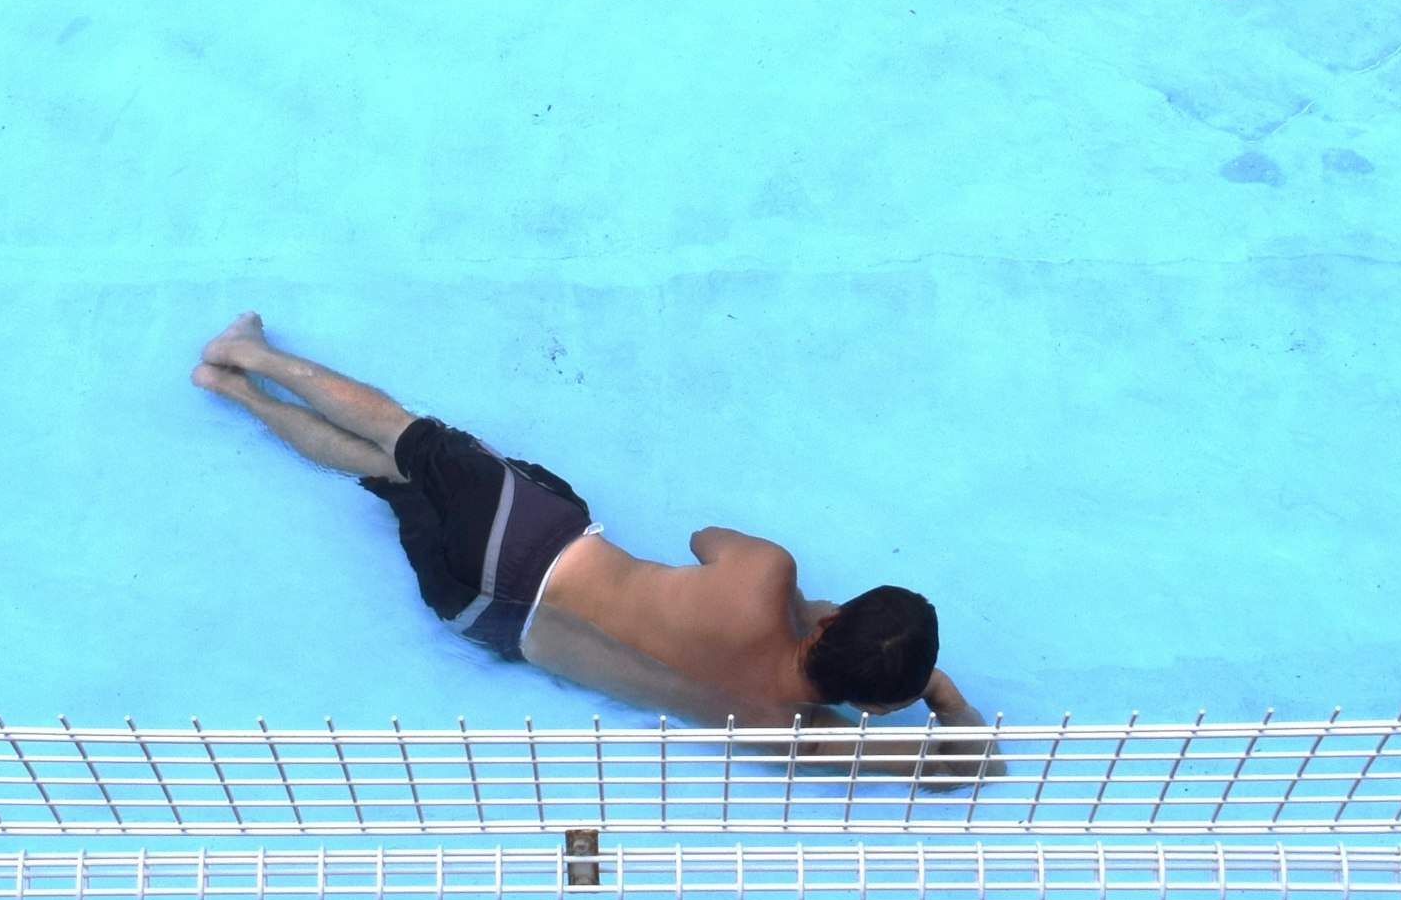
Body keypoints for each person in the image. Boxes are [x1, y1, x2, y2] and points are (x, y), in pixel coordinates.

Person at [192, 315, 996, 779]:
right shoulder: (794, 734)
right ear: (872, 706)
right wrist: (943, 699)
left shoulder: (765, 578)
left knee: (407, 436)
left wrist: (796, 605)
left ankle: (246, 356)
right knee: (395, 479)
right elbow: (967, 769)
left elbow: (705, 537)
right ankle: (233, 392)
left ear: (830, 622)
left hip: (528, 546)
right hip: (479, 617)